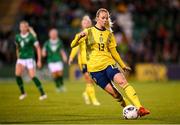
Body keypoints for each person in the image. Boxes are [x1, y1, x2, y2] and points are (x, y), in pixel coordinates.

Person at [71, 8, 150, 117]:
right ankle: (128, 108)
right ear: (97, 18)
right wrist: (78, 37)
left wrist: (122, 65)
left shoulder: (109, 34)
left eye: (107, 18)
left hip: (108, 64)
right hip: (94, 70)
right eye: (103, 18)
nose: (105, 20)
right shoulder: (88, 31)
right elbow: (73, 45)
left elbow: (114, 52)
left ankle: (140, 108)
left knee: (122, 82)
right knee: (116, 95)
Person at [69, 15, 100, 106]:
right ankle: (94, 100)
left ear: (90, 24)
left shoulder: (93, 34)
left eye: (87, 22)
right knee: (89, 80)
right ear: (82, 24)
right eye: (84, 22)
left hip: (93, 61)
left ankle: (86, 93)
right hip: (83, 61)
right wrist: (71, 57)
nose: (86, 23)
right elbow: (75, 47)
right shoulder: (79, 35)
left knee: (93, 81)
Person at [15, 21, 47, 100]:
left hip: (29, 58)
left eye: (23, 26)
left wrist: (39, 60)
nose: (22, 28)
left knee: (32, 76)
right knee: (17, 75)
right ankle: (23, 93)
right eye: (21, 26)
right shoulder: (17, 37)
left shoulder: (31, 37)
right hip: (21, 59)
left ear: (27, 28)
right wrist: (18, 57)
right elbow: (17, 47)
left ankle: (43, 93)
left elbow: (38, 48)